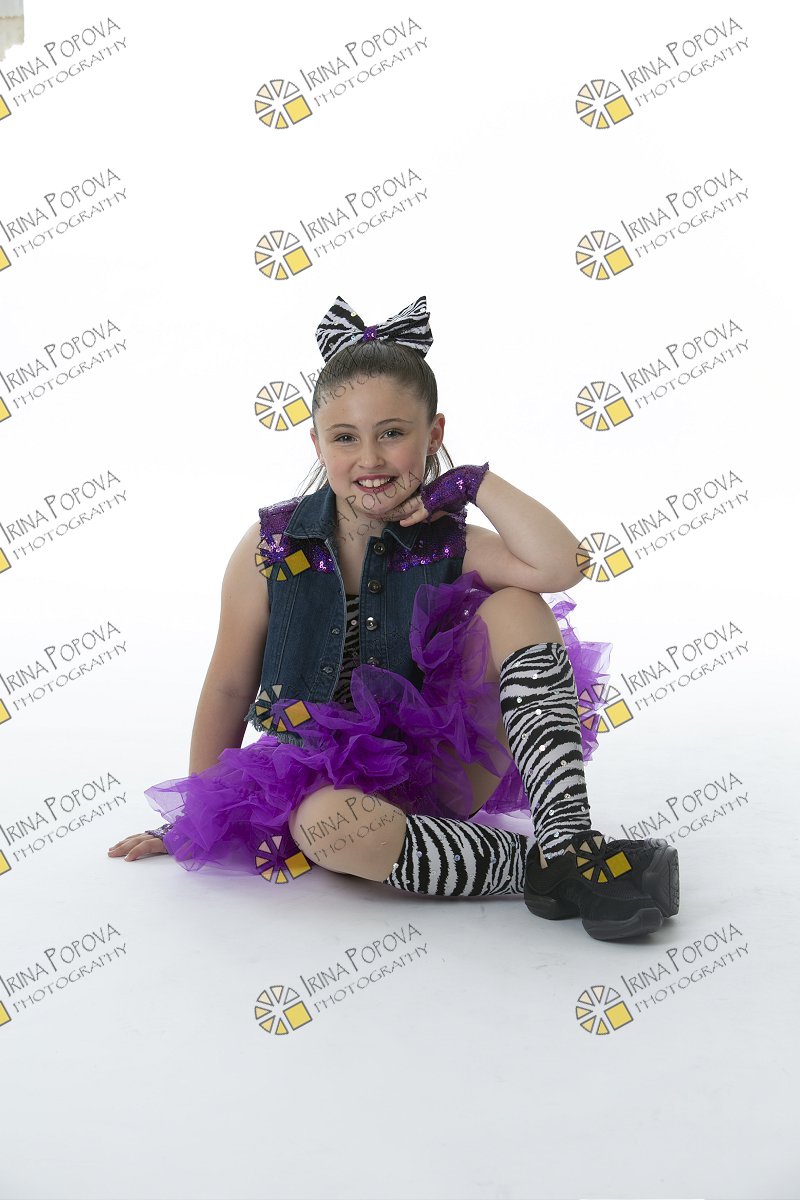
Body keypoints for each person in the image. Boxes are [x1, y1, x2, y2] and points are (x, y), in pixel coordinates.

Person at [108, 294, 680, 942]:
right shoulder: (271, 549)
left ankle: (569, 838)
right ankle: (543, 869)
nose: (370, 460)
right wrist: (195, 814)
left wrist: (473, 482)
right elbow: (229, 687)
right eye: (345, 438)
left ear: (433, 435)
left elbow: (561, 565)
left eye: (392, 433)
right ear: (317, 443)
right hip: (325, 782)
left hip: (441, 770)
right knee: (327, 831)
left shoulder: (448, 541)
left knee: (519, 604)